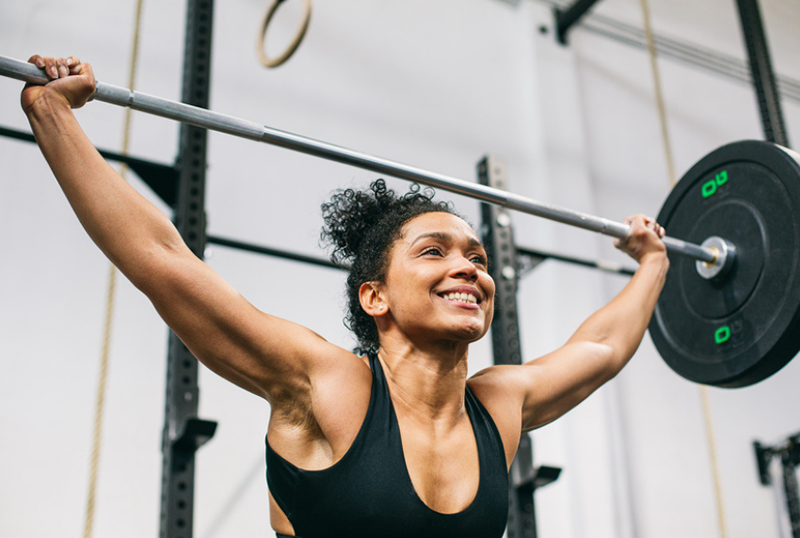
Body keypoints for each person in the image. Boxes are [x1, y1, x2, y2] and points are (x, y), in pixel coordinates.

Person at [22, 55, 669, 538]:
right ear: (375, 297)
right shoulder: (328, 385)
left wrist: (653, 262)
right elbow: (164, 263)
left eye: (477, 257)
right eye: (434, 251)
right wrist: (53, 114)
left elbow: (603, 345)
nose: (469, 269)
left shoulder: (499, 404)